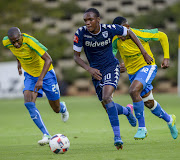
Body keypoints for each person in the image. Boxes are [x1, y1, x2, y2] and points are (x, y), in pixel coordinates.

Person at [73, 8, 153, 150]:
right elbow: (76, 57)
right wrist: (89, 69)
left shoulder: (109, 29)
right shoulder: (81, 33)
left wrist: (144, 53)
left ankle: (117, 137)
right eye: (85, 20)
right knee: (106, 104)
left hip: (111, 67)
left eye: (90, 19)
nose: (87, 23)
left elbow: (130, 33)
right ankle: (128, 111)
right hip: (95, 71)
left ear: (98, 19)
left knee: (107, 97)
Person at [112, 16, 178, 140]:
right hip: (133, 73)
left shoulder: (139, 34)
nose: (120, 36)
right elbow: (111, 55)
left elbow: (162, 36)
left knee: (133, 90)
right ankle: (170, 119)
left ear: (127, 27)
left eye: (122, 32)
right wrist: (117, 65)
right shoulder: (116, 39)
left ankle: (142, 128)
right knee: (149, 103)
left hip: (148, 67)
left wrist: (166, 57)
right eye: (118, 33)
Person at [2, 27, 69, 146]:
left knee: (56, 109)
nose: (16, 44)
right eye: (14, 42)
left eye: (18, 40)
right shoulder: (6, 42)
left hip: (46, 73)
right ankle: (46, 134)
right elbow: (16, 51)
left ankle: (62, 107)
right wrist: (19, 62)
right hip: (30, 75)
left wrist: (40, 79)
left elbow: (49, 60)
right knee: (28, 102)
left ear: (21, 36)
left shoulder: (31, 41)